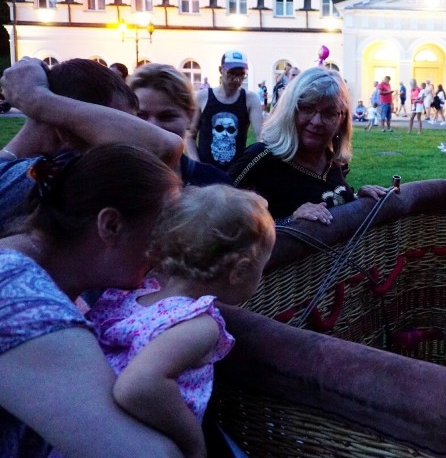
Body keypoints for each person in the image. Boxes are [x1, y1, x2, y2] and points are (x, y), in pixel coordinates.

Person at [0, 144, 183, 457]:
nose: (168, 248)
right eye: (162, 229)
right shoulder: (24, 303)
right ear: (110, 225)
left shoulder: (39, 273)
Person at [87, 185, 275, 458]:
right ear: (240, 270)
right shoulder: (198, 325)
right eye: (263, 265)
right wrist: (194, 444)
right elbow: (136, 386)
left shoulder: (132, 295)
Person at [0, 58, 182, 230]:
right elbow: (162, 147)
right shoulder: (46, 176)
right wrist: (38, 100)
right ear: (64, 129)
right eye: (111, 124)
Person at [229, 67, 387, 223]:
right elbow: (217, 218)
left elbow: (331, 205)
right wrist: (292, 221)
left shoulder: (332, 161)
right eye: (307, 108)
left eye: (329, 113)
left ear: (342, 120)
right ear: (289, 111)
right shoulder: (261, 158)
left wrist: (358, 201)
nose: (317, 122)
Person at [128, 63, 230, 187]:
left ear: (190, 116)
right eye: (141, 116)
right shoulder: (111, 181)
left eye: (166, 117)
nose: (152, 126)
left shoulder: (215, 184)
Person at [187, 50, 264, 172]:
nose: (236, 80)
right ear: (221, 70)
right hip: (206, 168)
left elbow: (261, 136)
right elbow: (190, 135)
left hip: (236, 171)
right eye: (232, 73)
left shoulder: (250, 99)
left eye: (241, 74)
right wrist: (196, 164)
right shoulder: (203, 97)